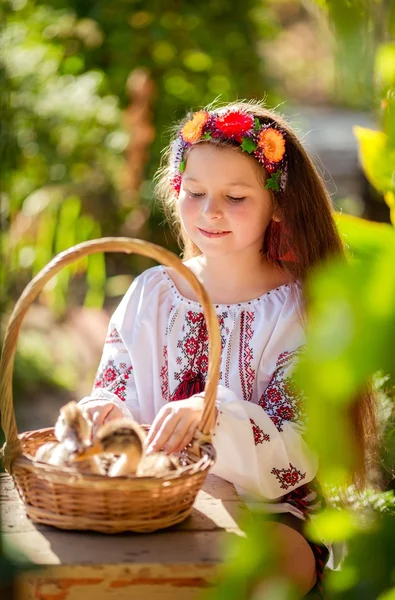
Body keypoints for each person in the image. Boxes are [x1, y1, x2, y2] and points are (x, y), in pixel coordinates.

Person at [78, 101, 376, 597]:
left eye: (235, 197)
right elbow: (117, 393)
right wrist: (105, 413)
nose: (211, 211)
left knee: (241, 570)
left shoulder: (301, 309)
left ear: (276, 203)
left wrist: (212, 413)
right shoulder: (151, 293)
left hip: (272, 516)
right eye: (195, 193)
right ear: (177, 191)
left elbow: (296, 453)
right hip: (158, 501)